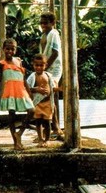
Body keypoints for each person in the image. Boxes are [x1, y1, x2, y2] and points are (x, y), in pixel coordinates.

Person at [0, 38, 34, 150]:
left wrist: (29, 91)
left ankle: (19, 133)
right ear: (3, 49)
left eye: (12, 49)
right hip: (10, 92)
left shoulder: (18, 61)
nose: (10, 51)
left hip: (21, 90)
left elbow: (23, 78)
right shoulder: (1, 64)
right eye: (7, 49)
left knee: (32, 111)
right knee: (11, 116)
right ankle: (16, 143)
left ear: (15, 50)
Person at [39, 11, 64, 139]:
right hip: (45, 68)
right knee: (49, 97)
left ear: (53, 23)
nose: (43, 25)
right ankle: (53, 126)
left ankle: (57, 127)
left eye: (46, 23)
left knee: (51, 96)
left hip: (53, 68)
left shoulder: (54, 34)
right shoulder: (44, 34)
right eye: (41, 23)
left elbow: (55, 53)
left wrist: (45, 66)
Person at [26, 53, 55, 147]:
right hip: (37, 103)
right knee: (38, 122)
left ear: (45, 65)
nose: (38, 67)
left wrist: (53, 90)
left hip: (47, 103)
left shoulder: (49, 76)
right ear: (33, 65)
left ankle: (47, 139)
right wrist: (36, 89)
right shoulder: (32, 76)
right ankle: (40, 139)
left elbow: (53, 88)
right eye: (36, 65)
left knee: (47, 123)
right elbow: (27, 87)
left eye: (41, 65)